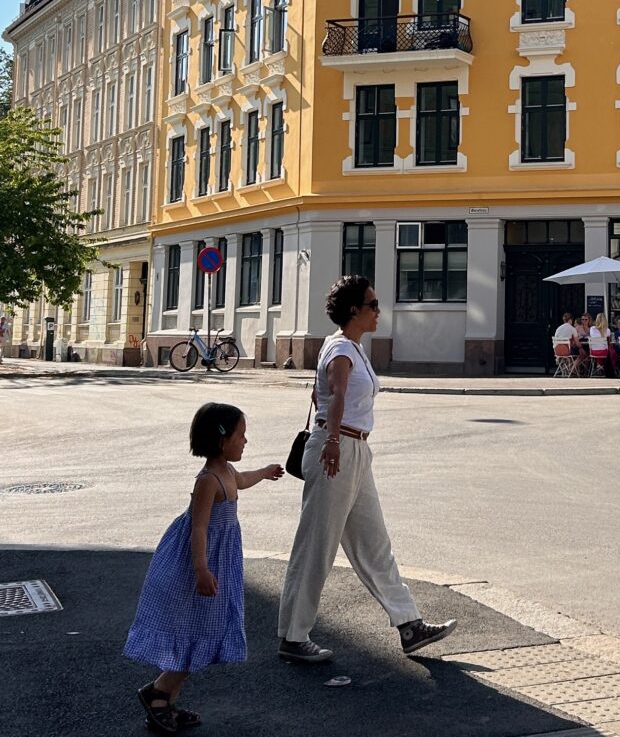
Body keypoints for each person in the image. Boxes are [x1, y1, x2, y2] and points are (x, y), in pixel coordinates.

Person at [278, 275, 456, 663]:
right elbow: (338, 394)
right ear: (355, 311)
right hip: (336, 449)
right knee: (316, 548)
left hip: (354, 449)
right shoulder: (341, 349)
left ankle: (409, 624)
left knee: (375, 544)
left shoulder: (351, 348)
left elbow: (319, 393)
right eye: (373, 305)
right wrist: (331, 442)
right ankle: (293, 637)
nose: (378, 311)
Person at [124, 403, 284, 734]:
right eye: (241, 435)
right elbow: (198, 529)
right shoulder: (208, 480)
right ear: (221, 439)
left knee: (203, 631)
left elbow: (241, 480)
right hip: (202, 564)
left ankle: (165, 698)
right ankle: (158, 696)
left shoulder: (226, 472)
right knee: (195, 632)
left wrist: (266, 472)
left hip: (219, 563)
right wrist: (201, 570)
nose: (245, 441)